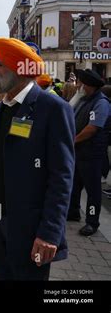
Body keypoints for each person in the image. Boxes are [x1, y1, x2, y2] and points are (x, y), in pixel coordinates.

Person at [0, 38, 75, 281]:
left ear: (19, 70)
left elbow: (62, 177)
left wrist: (50, 233)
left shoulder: (53, 109)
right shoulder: (3, 106)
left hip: (32, 235)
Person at [67, 69, 110, 236]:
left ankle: (92, 222)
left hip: (92, 154)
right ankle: (73, 212)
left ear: (87, 85)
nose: (78, 86)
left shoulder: (101, 103)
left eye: (80, 83)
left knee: (93, 191)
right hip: (79, 152)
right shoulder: (83, 100)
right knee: (74, 185)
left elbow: (92, 128)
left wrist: (73, 140)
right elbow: (69, 113)